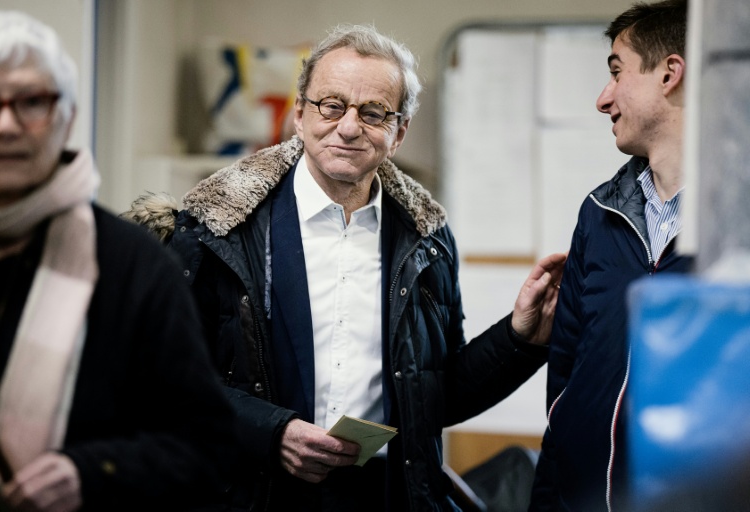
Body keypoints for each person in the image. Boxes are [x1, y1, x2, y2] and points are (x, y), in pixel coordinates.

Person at [126, 24, 566, 511]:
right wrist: (273, 433)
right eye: (330, 105)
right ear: (299, 114)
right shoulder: (215, 232)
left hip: (384, 498)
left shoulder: (429, 242)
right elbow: (163, 381)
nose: (349, 127)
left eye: (373, 112)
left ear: (398, 133)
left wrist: (521, 339)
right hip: (249, 494)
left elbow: (436, 397)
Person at [0, 10, 241, 512]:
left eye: (32, 101)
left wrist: (93, 474)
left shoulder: (135, 266)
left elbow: (208, 451)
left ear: (67, 115)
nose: (6, 125)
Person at [528, 1, 694, 510]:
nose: (604, 100)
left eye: (617, 73)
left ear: (670, 73)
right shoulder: (598, 214)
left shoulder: (737, 222)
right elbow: (564, 386)